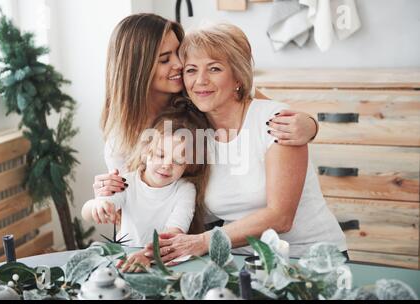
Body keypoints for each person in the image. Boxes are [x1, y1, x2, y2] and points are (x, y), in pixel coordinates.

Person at [145, 23, 347, 264]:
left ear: (238, 77)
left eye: (214, 68)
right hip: (240, 259)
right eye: (191, 70)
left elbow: (280, 217)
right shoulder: (191, 134)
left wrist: (202, 241)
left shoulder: (275, 122)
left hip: (308, 258)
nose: (200, 81)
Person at [92, 13, 319, 212]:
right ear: (137, 69)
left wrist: (311, 125)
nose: (180, 65)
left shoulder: (199, 95)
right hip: (166, 233)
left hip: (212, 226)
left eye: (177, 54)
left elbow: (265, 111)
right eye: (164, 59)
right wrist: (105, 195)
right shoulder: (121, 139)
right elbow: (128, 205)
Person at [81, 106, 209, 272]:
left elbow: (173, 234)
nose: (166, 165)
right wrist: (97, 206)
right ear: (145, 152)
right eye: (160, 155)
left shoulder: (185, 190)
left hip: (164, 260)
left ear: (189, 166)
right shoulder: (127, 182)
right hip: (126, 260)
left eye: (178, 161)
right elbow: (87, 211)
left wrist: (147, 256)